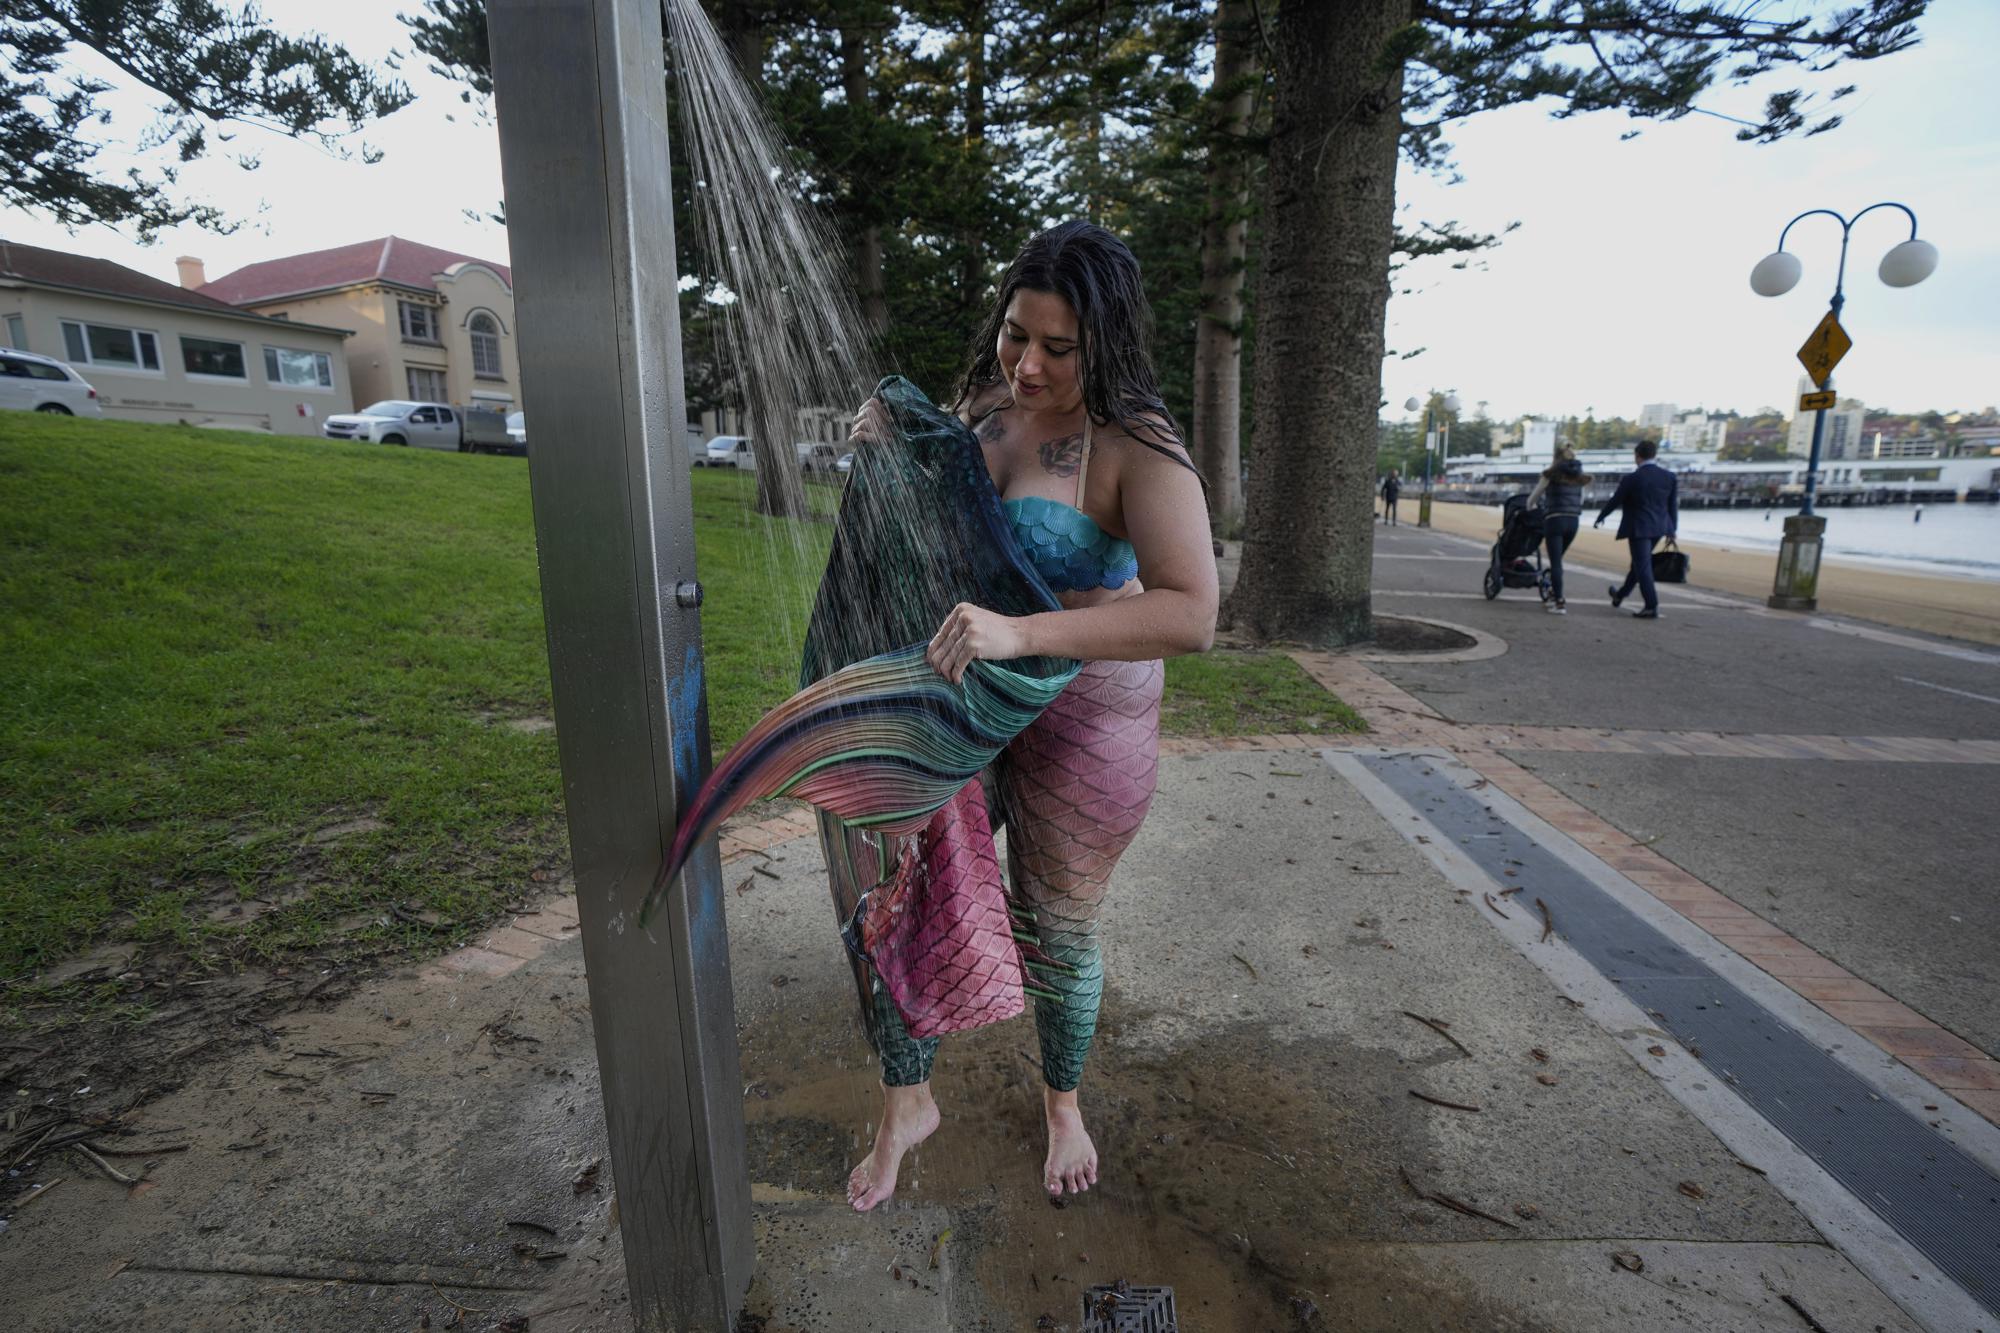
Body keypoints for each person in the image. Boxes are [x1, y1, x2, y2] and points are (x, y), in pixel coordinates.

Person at [843, 221, 1217, 1211]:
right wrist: (892, 452)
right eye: (1017, 335)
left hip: (1086, 719)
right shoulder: (984, 412)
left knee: (1051, 928)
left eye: (1059, 348)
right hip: (961, 693)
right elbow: (932, 525)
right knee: (901, 889)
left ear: (1106, 344)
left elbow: (1190, 611)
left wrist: (1023, 631)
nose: (1029, 364)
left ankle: (1059, 1103)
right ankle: (905, 1102)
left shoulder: (1138, 447)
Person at [1594, 439, 1678, 618]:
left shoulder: (1632, 479)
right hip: (1660, 527)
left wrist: (1601, 517)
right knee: (1640, 565)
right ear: (1654, 455)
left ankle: (1651, 605)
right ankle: (1620, 595)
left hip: (1639, 528)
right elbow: (1672, 507)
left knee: (1642, 567)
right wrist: (1672, 530)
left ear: (1637, 456)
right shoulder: (1669, 477)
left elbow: (1615, 501)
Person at [1526, 448, 1588, 614]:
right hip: (1573, 521)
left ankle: (1559, 601)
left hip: (1555, 520)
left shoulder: (1550, 474)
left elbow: (1534, 497)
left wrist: (1530, 508)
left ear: (1556, 459)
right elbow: (1581, 499)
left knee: (1556, 563)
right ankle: (1554, 593)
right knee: (1558, 560)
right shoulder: (1579, 477)